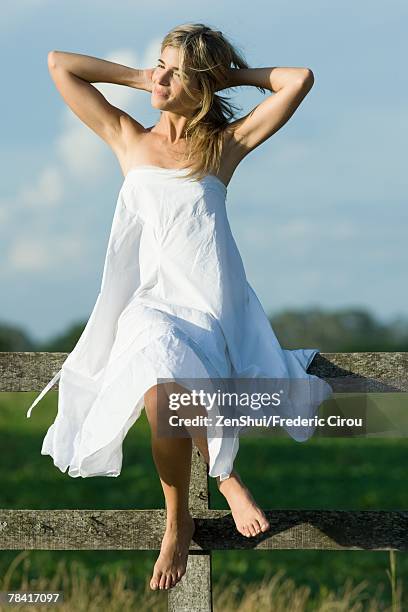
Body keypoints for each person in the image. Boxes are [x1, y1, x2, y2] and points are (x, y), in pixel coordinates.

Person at [27, 23, 332, 591]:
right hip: (147, 304)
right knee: (158, 367)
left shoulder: (224, 145)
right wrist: (141, 76)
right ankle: (193, 505)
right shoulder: (127, 136)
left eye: (175, 71)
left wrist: (226, 74)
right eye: (158, 65)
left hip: (209, 307)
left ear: (203, 84)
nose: (160, 77)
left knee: (172, 384)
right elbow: (58, 64)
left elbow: (299, 80)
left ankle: (211, 485)